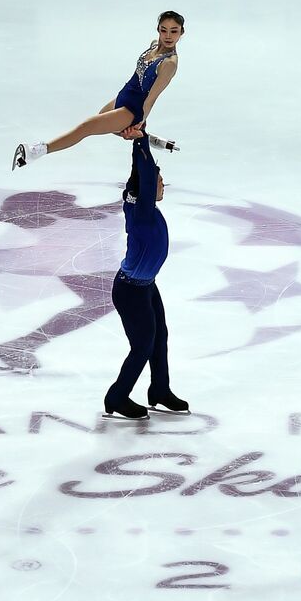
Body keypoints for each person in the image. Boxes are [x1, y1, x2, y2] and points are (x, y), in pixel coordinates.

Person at [14, 11, 184, 170]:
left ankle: (36, 151)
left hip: (133, 108)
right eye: (164, 30)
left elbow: (151, 98)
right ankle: (146, 137)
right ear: (158, 29)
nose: (168, 36)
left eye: (174, 31)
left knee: (86, 127)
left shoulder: (169, 63)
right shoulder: (153, 46)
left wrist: (139, 121)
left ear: (181, 32)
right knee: (103, 122)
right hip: (124, 95)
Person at [103, 127, 189, 421]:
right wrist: (140, 140)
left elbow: (139, 173)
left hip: (146, 286)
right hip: (131, 290)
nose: (162, 186)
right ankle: (117, 396)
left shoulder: (135, 199)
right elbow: (146, 174)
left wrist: (137, 140)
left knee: (159, 336)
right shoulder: (142, 211)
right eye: (159, 182)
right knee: (142, 345)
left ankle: (160, 390)